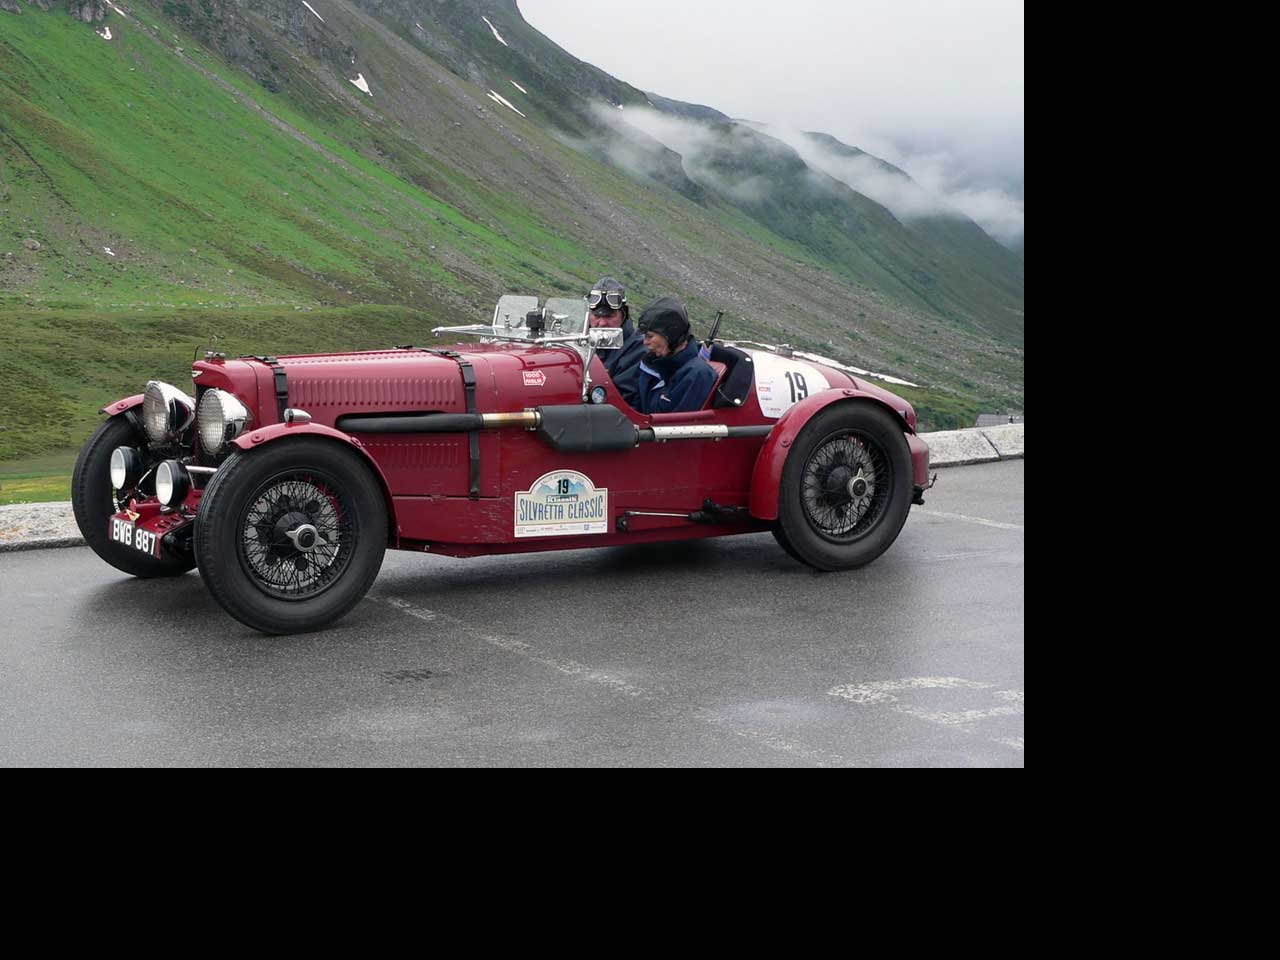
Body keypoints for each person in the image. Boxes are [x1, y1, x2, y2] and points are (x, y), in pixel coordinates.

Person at [634, 296, 717, 414]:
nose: (645, 342)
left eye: (650, 336)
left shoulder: (698, 374)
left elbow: (680, 423)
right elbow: (634, 409)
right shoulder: (650, 364)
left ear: (671, 335)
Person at [587, 277, 645, 408]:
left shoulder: (638, 350)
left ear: (623, 315)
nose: (602, 323)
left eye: (609, 316)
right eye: (596, 316)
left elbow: (621, 399)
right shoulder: (580, 341)